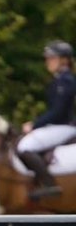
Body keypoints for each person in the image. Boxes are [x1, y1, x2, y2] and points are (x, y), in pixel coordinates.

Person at [16, 40, 76, 200]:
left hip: (64, 126)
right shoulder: (58, 80)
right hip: (56, 125)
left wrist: (34, 125)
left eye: (52, 58)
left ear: (64, 60)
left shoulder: (66, 81)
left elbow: (58, 112)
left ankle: (50, 185)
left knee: (25, 147)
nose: (47, 62)